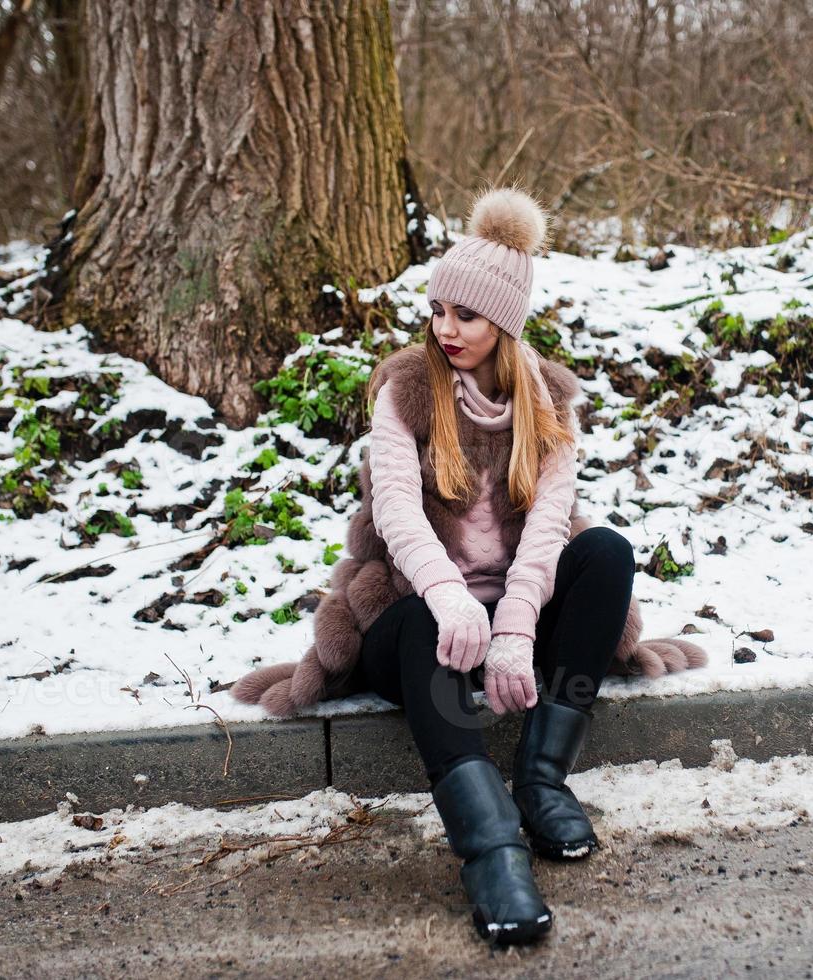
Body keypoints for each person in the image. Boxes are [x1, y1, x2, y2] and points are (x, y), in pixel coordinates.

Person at [233, 184, 706, 946]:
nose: (445, 328)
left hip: (513, 616)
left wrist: (515, 629)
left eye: (466, 315)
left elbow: (549, 527)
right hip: (417, 621)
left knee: (605, 551)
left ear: (505, 324)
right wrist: (454, 600)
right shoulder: (408, 389)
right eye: (438, 311)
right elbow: (396, 510)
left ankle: (542, 779)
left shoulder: (546, 403)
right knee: (419, 617)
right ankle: (490, 850)